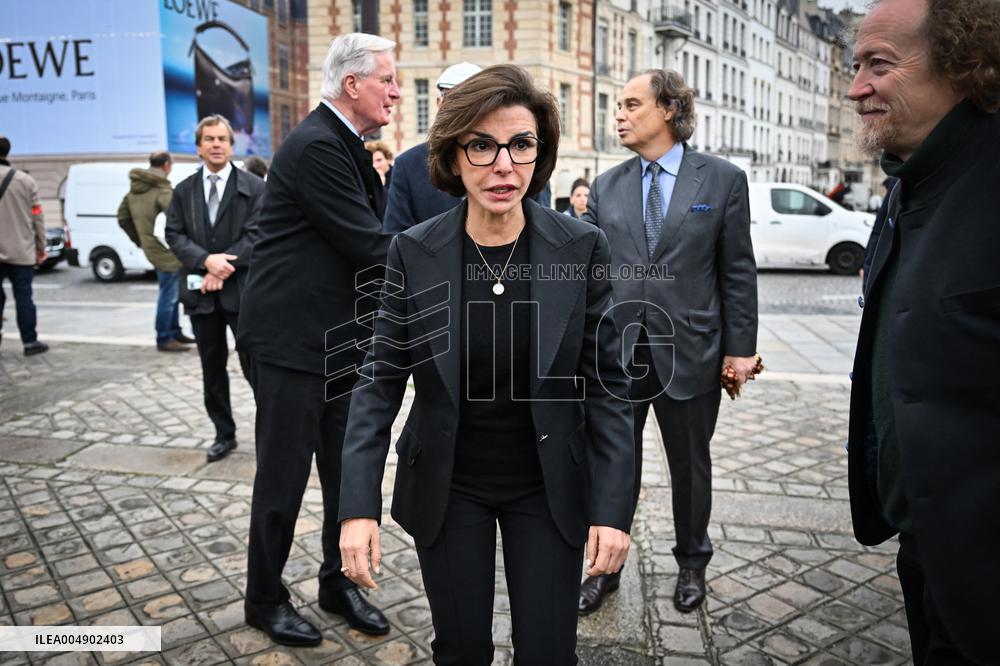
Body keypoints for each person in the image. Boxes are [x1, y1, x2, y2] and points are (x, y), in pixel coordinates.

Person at [338, 64, 634, 665]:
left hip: (548, 484)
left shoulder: (580, 247)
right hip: (450, 486)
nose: (503, 165)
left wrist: (612, 507)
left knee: (549, 651)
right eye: (482, 145)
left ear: (539, 153)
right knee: (462, 648)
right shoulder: (413, 251)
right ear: (453, 155)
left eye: (521, 145)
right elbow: (378, 382)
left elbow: (610, 388)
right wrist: (356, 507)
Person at [846, 0, 1000, 663]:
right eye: (854, 66)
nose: (856, 88)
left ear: (965, 64)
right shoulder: (905, 180)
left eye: (880, 64)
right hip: (925, 546)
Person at [236, 33, 399, 647]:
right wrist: (459, 255)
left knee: (343, 469)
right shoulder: (316, 146)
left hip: (337, 341)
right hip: (289, 343)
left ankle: (338, 581)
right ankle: (264, 598)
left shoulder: (346, 143)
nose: (393, 90)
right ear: (352, 85)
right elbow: (368, 243)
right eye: (386, 78)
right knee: (282, 476)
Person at [579, 68, 758, 615]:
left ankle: (692, 564)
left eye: (632, 104)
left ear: (668, 111)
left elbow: (737, 271)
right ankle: (603, 568)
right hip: (618, 353)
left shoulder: (723, 180)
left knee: (690, 464)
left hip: (692, 351)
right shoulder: (606, 185)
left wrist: (740, 348)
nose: (620, 114)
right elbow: (587, 271)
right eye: (618, 105)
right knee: (611, 463)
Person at [165, 115, 264, 462]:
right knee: (212, 367)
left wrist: (224, 265)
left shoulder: (254, 187)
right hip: (201, 292)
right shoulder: (183, 191)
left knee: (257, 366)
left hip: (243, 292)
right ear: (198, 146)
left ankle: (270, 434)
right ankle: (224, 433)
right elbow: (174, 235)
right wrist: (206, 260)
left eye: (222, 138)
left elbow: (258, 234)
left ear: (232, 146)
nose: (216, 144)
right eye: (209, 139)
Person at [382, 62, 482, 234]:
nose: (463, 109)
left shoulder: (512, 158)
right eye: (455, 100)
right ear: (439, 103)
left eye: (473, 100)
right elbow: (396, 239)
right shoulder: (408, 165)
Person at [117, 151, 194, 352]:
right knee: (169, 294)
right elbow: (180, 218)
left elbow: (122, 218)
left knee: (171, 292)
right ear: (167, 165)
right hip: (169, 250)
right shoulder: (162, 190)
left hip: (153, 248)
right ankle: (164, 337)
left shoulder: (134, 191)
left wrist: (141, 240)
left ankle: (174, 331)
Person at [0, 136, 48, 357]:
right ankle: (30, 342)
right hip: (21, 249)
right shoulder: (25, 181)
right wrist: (41, 246)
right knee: (24, 298)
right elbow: (37, 216)